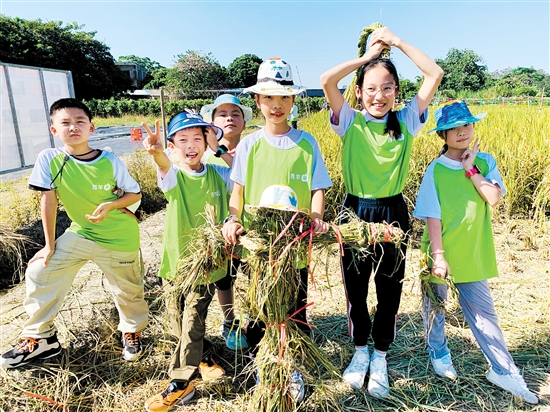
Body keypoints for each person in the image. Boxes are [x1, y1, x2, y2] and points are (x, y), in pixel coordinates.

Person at [319, 27, 444, 397]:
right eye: (370, 88)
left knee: (389, 291)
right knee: (356, 290)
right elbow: (326, 80)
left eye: (387, 88)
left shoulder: (406, 120)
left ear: (396, 92)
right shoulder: (349, 121)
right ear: (358, 91)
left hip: (393, 211)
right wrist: (367, 58)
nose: (379, 95)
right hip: (354, 211)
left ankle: (382, 357)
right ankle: (360, 352)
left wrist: (398, 43)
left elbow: (434, 74)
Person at [0, 98, 148, 368]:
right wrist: (48, 245)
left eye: (80, 121)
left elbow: (134, 194)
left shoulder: (109, 160)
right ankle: (41, 339)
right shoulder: (50, 158)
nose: (73, 127)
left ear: (92, 127)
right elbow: (48, 200)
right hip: (81, 232)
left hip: (119, 235)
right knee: (39, 272)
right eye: (65, 122)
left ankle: (131, 330)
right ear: (54, 130)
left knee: (128, 289)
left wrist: (111, 205)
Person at [413, 100, 538, 405]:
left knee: (484, 315)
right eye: (453, 128)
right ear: (442, 134)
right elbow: (433, 215)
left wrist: (471, 170)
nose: (461, 132)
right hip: (440, 249)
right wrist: (438, 256)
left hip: (472, 250)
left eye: (466, 125)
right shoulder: (436, 169)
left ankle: (503, 370)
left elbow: (493, 198)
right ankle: (439, 351)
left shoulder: (485, 161)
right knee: (436, 308)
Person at [222, 57, 332, 402]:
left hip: (295, 243)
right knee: (258, 308)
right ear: (257, 102)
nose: (276, 105)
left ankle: (294, 368)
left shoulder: (306, 143)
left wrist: (315, 217)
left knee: (295, 307)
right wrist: (233, 220)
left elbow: (317, 189)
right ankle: (265, 367)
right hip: (258, 245)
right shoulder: (250, 145)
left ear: (293, 101)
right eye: (268, 98)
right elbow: (237, 191)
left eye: (284, 98)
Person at [142, 110, 235, 412]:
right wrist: (157, 153)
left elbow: (244, 173)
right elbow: (164, 166)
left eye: (198, 138)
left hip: (206, 267)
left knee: (191, 323)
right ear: (172, 145)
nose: (191, 145)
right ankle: (206, 356)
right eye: (182, 139)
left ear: (207, 143)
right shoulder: (173, 177)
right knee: (176, 323)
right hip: (176, 265)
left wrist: (218, 146)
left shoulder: (218, 175)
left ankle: (182, 383)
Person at [200, 94, 253, 350]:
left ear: (244, 122)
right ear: (212, 122)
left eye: (235, 114)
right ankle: (229, 322)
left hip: (250, 225)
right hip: (218, 230)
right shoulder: (202, 154)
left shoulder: (253, 147)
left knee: (255, 274)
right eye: (222, 114)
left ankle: (256, 318)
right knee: (224, 277)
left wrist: (219, 150)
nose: (229, 118)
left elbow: (246, 178)